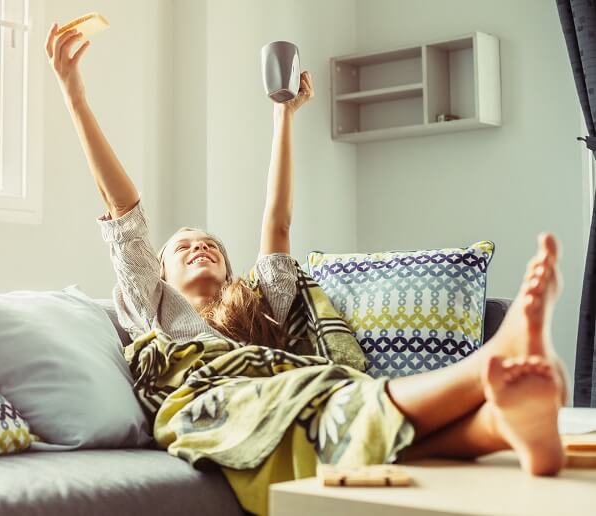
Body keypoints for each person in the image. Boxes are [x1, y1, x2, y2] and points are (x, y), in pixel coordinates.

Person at [46, 22, 567, 510]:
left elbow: (278, 225)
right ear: (157, 272)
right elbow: (124, 210)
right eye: (182, 247)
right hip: (219, 401)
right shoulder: (151, 304)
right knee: (306, 399)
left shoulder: (256, 302)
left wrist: (283, 115)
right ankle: (491, 366)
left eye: (211, 245)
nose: (199, 247)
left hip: (290, 388)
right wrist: (75, 95)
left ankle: (498, 427)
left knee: (327, 393)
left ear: (231, 271)